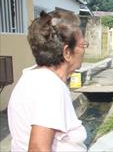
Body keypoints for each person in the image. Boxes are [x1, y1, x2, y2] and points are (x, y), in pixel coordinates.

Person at [8, 10, 89, 152]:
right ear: (67, 52)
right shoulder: (51, 87)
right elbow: (38, 148)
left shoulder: (32, 76)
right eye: (82, 45)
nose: (84, 51)